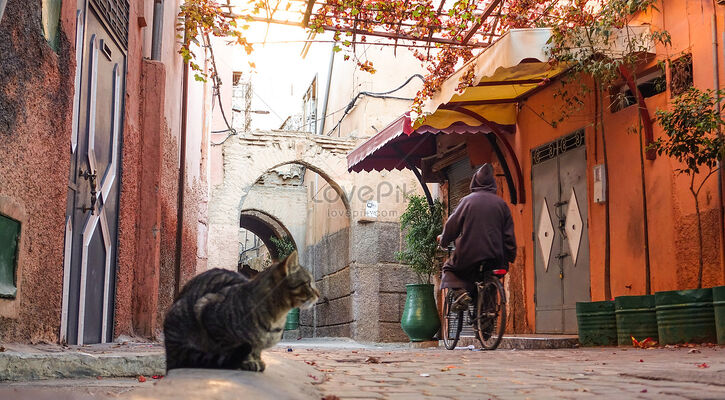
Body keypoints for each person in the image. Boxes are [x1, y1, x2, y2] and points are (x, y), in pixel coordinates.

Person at [437, 163, 517, 311]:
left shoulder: (467, 201)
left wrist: (444, 240)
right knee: (489, 277)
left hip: (469, 254)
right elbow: (508, 234)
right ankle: (486, 322)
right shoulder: (502, 204)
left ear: (475, 181)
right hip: (496, 256)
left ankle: (461, 295)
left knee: (449, 269)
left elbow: (452, 226)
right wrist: (510, 255)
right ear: (492, 184)